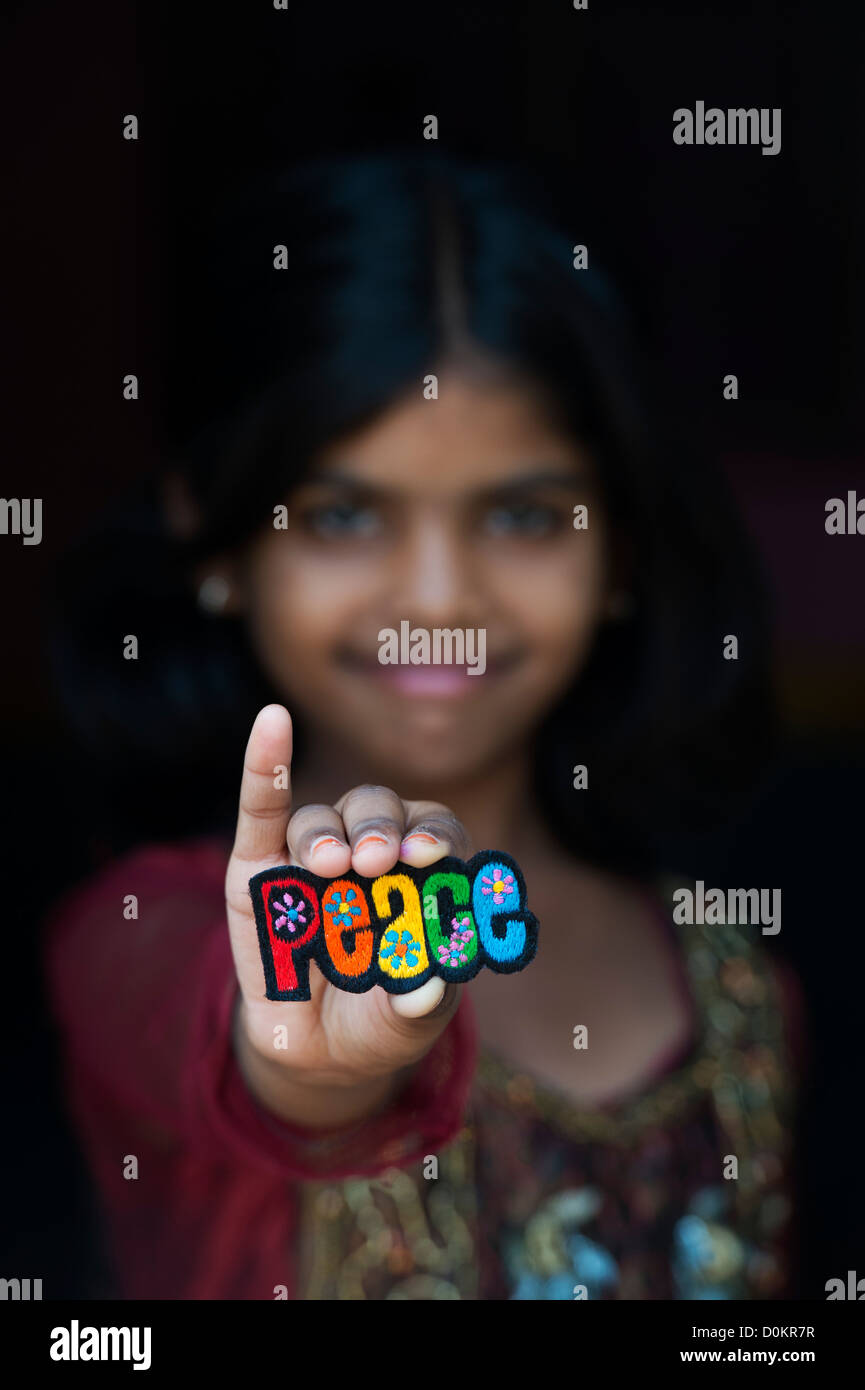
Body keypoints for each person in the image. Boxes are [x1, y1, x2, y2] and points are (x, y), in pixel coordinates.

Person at [44, 154, 803, 1300]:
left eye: (524, 515)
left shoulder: (741, 990)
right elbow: (243, 1045)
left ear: (623, 551)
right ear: (215, 539)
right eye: (345, 515)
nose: (440, 600)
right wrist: (317, 1076)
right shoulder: (136, 938)